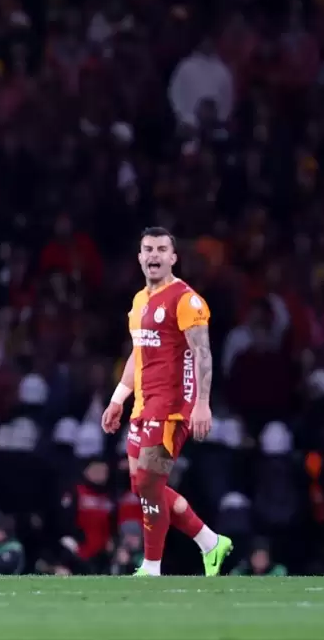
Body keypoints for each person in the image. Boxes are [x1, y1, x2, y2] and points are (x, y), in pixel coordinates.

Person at [101, 227, 233, 576]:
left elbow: (203, 353)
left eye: (162, 249)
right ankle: (210, 542)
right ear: (140, 257)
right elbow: (138, 353)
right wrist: (118, 399)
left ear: (173, 257)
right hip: (143, 405)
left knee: (148, 484)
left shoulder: (186, 300)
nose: (154, 255)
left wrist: (202, 403)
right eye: (148, 249)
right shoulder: (139, 301)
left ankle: (152, 567)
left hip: (174, 405)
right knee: (143, 486)